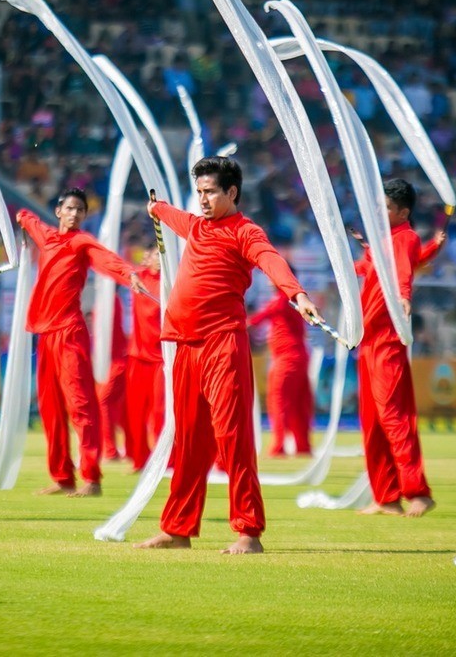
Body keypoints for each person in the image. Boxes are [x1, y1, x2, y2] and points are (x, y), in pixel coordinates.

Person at [136, 157, 320, 554]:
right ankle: (177, 530)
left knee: (232, 438)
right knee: (187, 440)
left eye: (210, 192)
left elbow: (272, 260)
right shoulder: (195, 225)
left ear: (231, 192)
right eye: (199, 192)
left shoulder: (245, 231)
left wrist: (296, 294)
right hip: (184, 344)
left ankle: (248, 532)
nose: (202, 200)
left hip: (223, 344)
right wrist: (155, 207)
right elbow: (168, 212)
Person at [16, 189, 143, 497]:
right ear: (59, 211)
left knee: (81, 406)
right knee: (50, 409)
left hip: (70, 332)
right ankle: (62, 478)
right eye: (70, 208)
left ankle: (92, 478)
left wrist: (130, 274)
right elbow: (25, 216)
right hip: (45, 336)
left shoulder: (81, 242)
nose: (74, 214)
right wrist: (22, 221)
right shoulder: (45, 235)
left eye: (80, 211)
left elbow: (108, 260)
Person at [353, 180, 442, 517]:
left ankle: (417, 491)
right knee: (372, 421)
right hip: (369, 338)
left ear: (403, 212)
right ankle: (386, 495)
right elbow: (375, 270)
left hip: (388, 338)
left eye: (386, 208)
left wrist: (404, 297)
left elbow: (403, 270)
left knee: (394, 417)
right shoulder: (381, 243)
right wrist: (348, 268)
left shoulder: (404, 237)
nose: (379, 212)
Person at [248, 279, 312, 457]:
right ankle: (302, 446)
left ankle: (278, 445)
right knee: (299, 403)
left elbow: (255, 321)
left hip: (286, 358)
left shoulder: (281, 301)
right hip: (299, 356)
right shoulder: (291, 301)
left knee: (278, 400)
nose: (269, 281)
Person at [125, 245, 163, 471]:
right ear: (147, 257)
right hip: (138, 356)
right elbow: (119, 270)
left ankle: (164, 461)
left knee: (160, 413)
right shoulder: (137, 278)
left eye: (162, 255)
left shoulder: (172, 282)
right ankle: (140, 460)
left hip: (162, 359)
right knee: (136, 413)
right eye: (156, 255)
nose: (159, 259)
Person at [97, 294, 130, 462]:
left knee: (104, 402)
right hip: (117, 359)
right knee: (122, 408)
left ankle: (110, 451)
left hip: (119, 360)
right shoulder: (111, 300)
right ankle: (131, 448)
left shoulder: (110, 301)